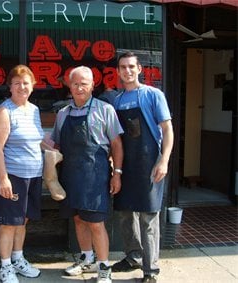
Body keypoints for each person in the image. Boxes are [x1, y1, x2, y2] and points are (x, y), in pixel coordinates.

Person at [51, 66, 124, 283]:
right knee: (78, 219)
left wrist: (117, 173)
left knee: (95, 223)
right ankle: (86, 258)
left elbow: (117, 144)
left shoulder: (105, 109)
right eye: (75, 83)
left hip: (95, 176)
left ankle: (104, 268)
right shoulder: (63, 113)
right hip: (70, 175)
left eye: (84, 83)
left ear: (92, 85)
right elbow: (55, 143)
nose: (79, 87)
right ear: (69, 86)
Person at [110, 52, 174, 283]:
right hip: (125, 164)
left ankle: (150, 270)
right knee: (125, 214)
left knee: (148, 217)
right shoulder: (116, 100)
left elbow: (167, 130)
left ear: (139, 69)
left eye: (131, 67)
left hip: (149, 162)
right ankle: (133, 256)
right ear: (117, 71)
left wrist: (164, 160)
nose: (127, 71)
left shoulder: (153, 95)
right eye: (122, 67)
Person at [0, 65, 44, 283]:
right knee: (9, 222)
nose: (22, 86)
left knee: (22, 220)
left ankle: (18, 259)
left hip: (33, 175)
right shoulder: (5, 111)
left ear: (32, 86)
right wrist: (3, 178)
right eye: (17, 83)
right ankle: (5, 267)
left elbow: (37, 140)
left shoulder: (33, 110)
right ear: (10, 86)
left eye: (26, 82)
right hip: (13, 176)